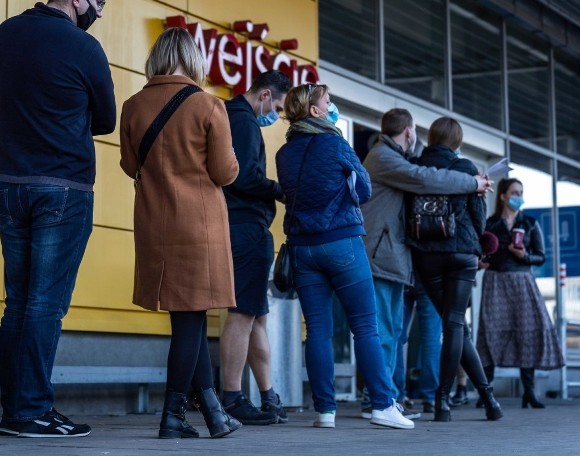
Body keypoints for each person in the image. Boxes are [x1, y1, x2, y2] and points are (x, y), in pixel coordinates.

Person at [0, 0, 115, 438]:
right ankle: (34, 410)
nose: (99, 13)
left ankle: (16, 410)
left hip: (12, 183)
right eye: (98, 3)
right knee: (45, 306)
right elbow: (104, 119)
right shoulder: (84, 46)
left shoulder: (7, 33)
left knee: (17, 303)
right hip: (64, 187)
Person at [119, 27, 241, 439]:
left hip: (154, 223)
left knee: (187, 317)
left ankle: (214, 414)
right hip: (199, 225)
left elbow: (128, 165)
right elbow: (225, 172)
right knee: (190, 322)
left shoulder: (133, 106)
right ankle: (172, 415)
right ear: (192, 59)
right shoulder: (208, 105)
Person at [275, 83, 414, 430]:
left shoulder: (284, 153)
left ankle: (325, 411)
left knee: (317, 330)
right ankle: (383, 405)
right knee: (366, 326)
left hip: (302, 247)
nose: (332, 106)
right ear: (315, 111)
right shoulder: (335, 142)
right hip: (342, 243)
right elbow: (364, 189)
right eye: (328, 102)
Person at [359, 108, 491, 419]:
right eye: (413, 132)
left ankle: (388, 397)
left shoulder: (399, 157)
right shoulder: (386, 158)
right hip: (386, 254)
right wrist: (473, 183)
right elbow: (424, 178)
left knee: (394, 329)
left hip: (402, 255)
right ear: (408, 132)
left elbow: (422, 172)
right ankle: (381, 399)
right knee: (399, 330)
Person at [408, 117, 502, 422]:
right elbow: (478, 214)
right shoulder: (465, 168)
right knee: (455, 324)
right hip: (461, 251)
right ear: (457, 142)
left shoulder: (415, 166)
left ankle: (454, 403)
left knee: (453, 324)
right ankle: (464, 399)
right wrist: (480, 245)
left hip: (426, 254)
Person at [219, 70, 292, 426]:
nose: (276, 114)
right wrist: (280, 191)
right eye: (276, 106)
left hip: (242, 225)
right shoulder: (243, 122)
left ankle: (268, 397)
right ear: (264, 95)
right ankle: (232, 397)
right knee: (243, 314)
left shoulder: (229, 115)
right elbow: (244, 176)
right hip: (245, 226)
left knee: (256, 316)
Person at [477, 178, 565, 408]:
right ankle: (487, 393)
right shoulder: (490, 224)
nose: (519, 196)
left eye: (522, 192)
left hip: (523, 280)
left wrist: (523, 256)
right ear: (503, 196)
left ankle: (529, 392)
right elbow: (481, 251)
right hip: (496, 281)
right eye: (515, 192)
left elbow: (541, 256)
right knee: (491, 334)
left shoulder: (530, 223)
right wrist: (481, 261)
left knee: (527, 332)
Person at [394, 275, 441, 414]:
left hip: (403, 273)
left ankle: (397, 395)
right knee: (431, 339)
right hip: (429, 274)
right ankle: (430, 397)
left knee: (397, 336)